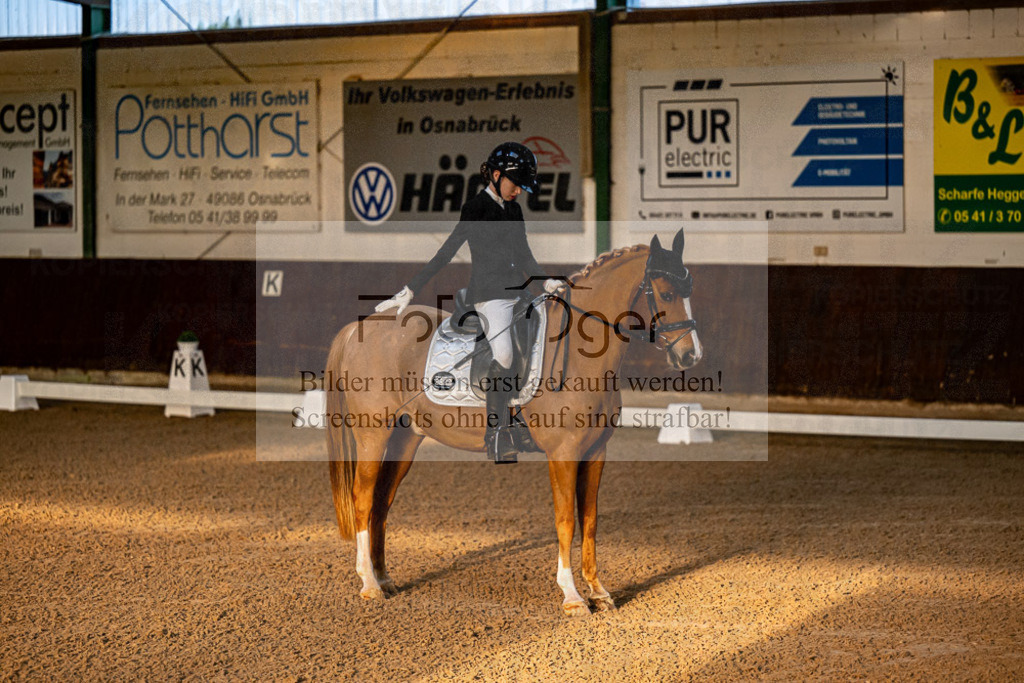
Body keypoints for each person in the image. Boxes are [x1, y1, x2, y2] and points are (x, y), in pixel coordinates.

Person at [375, 141, 561, 462]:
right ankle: (496, 433)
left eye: (521, 187)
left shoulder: (514, 210)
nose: (518, 191)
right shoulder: (476, 209)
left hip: (520, 294)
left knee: (541, 340)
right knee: (503, 354)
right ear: (497, 175)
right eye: (514, 184)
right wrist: (411, 288)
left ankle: (524, 421)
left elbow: (524, 256)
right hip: (490, 298)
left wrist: (547, 280)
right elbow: (446, 252)